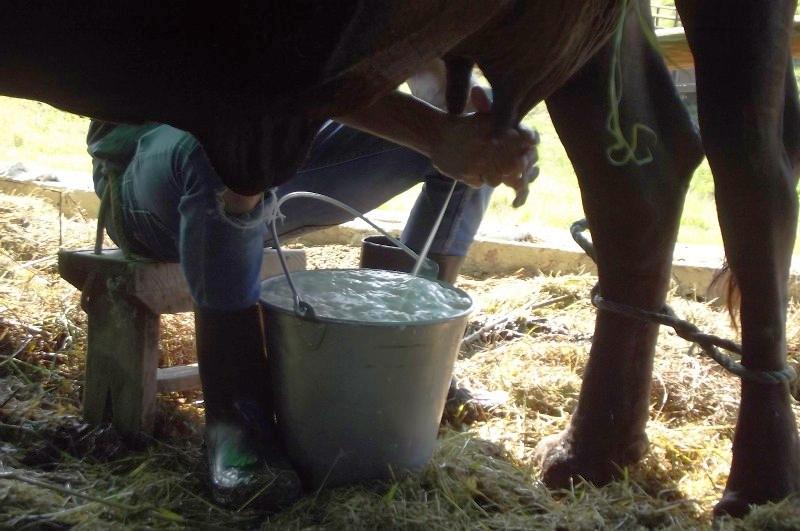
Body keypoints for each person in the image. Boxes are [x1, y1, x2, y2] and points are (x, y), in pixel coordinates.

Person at [87, 62, 538, 508]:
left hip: (280, 139)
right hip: (148, 172)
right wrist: (435, 135)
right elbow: (262, 78)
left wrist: (454, 113)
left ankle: (410, 360)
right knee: (229, 142)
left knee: (480, 136)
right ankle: (238, 418)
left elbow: (405, 65)